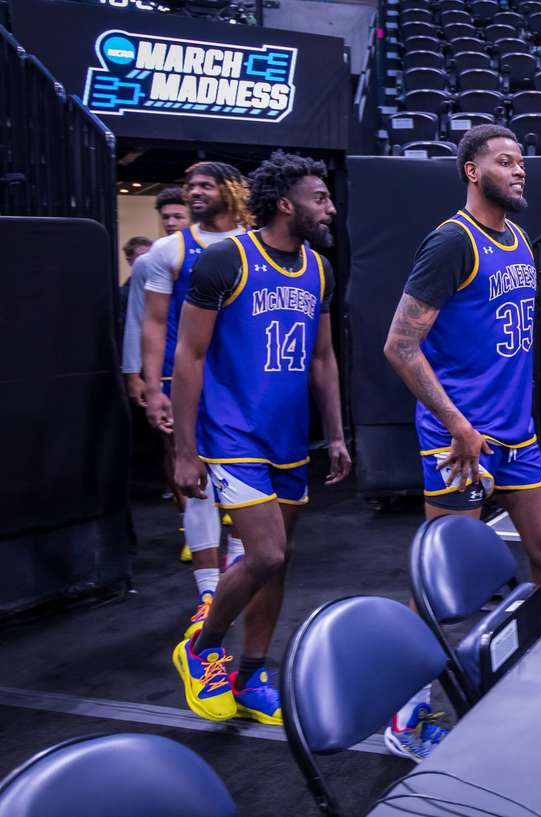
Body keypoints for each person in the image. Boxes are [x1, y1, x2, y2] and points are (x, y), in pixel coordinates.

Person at [382, 124, 541, 759]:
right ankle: (405, 714)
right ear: (472, 170)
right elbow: (400, 345)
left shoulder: (518, 238)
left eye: (523, 161)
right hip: (459, 441)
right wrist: (459, 424)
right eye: (505, 161)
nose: (520, 170)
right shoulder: (450, 241)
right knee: (442, 583)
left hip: (514, 436)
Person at [170, 150, 350, 724]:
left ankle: (250, 676)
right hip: (231, 434)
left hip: (289, 439)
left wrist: (339, 435)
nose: (330, 208)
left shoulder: (319, 268)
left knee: (278, 560)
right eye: (319, 199)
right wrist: (184, 449)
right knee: (265, 552)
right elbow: (190, 355)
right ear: (284, 204)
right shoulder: (226, 260)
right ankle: (200, 648)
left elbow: (324, 360)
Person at [140, 164, 248, 629]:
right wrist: (151, 386)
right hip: (191, 380)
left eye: (205, 185)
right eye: (190, 186)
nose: (195, 193)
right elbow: (154, 323)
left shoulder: (254, 241)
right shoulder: (168, 250)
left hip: (244, 381)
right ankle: (208, 594)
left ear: (231, 190)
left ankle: (237, 574)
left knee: (249, 483)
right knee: (198, 483)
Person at [122, 189, 189, 408]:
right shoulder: (147, 262)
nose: (170, 222)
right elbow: (136, 319)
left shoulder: (218, 255)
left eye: (178, 217)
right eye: (165, 217)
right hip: (166, 361)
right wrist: (132, 373)